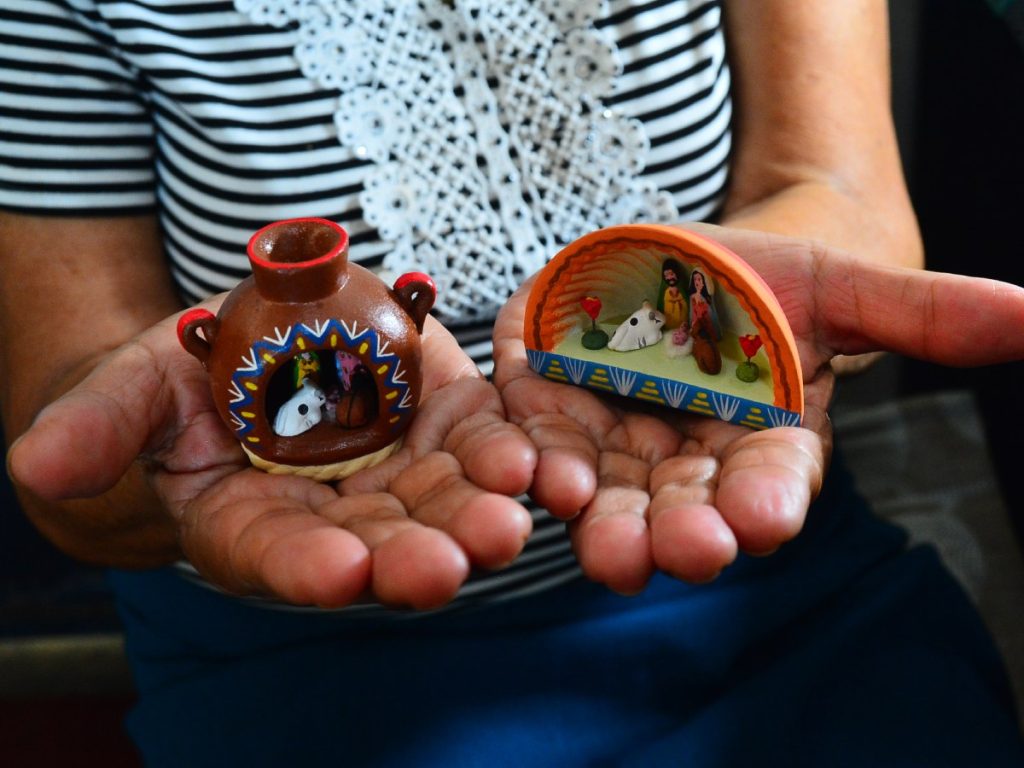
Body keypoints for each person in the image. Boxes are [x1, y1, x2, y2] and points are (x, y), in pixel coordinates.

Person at [3, 1, 1024, 765]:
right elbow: (74, 455)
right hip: (318, 667)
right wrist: (171, 438)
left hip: (770, 596)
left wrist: (723, 321)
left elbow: (836, 189)